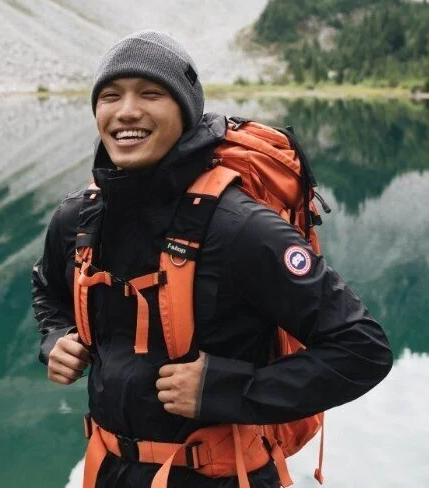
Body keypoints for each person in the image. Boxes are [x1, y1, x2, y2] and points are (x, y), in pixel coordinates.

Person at [32, 30, 393, 487]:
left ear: (185, 110)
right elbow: (48, 290)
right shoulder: (77, 217)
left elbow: (362, 350)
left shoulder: (240, 227)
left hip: (223, 475)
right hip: (109, 469)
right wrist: (56, 338)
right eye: (110, 96)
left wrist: (230, 388)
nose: (126, 111)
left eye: (151, 93)